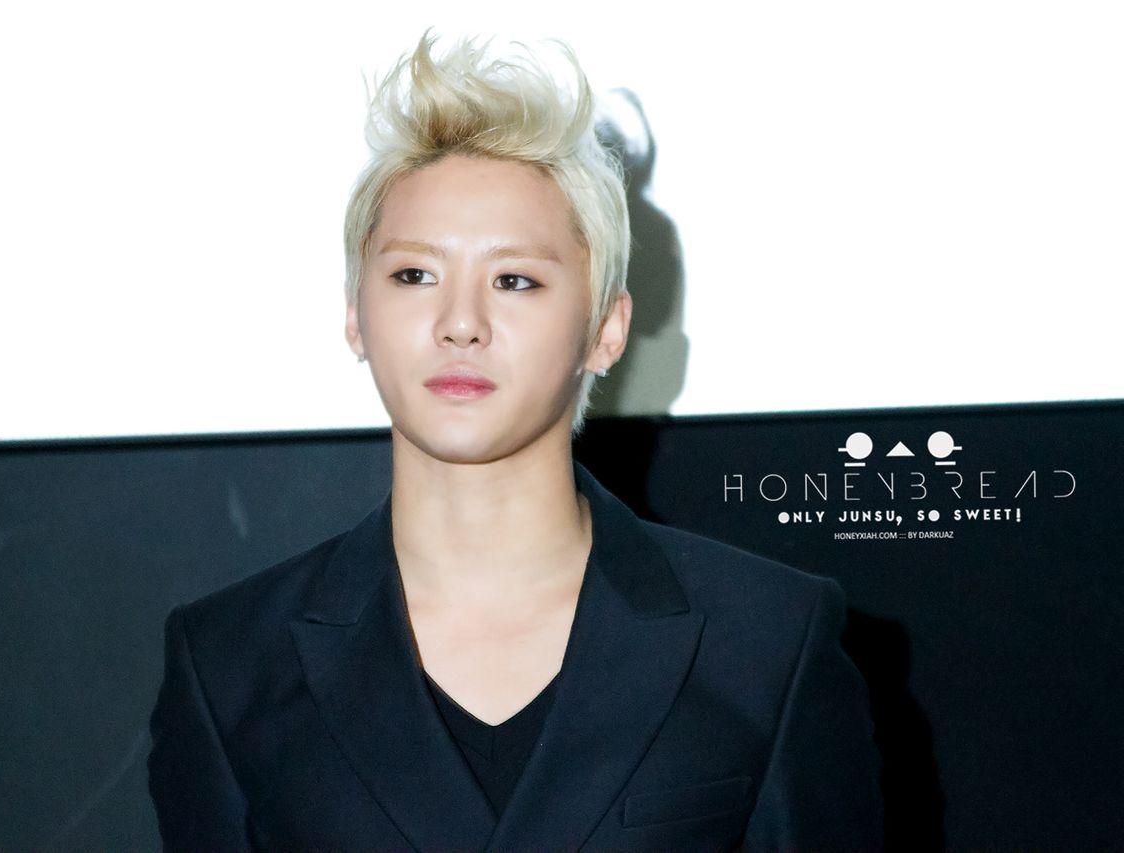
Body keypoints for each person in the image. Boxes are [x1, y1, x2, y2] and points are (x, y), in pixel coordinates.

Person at [147, 28, 884, 851]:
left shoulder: (766, 643)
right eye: (415, 274)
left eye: (514, 280)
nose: (461, 322)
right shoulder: (229, 664)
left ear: (606, 329)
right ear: (356, 315)